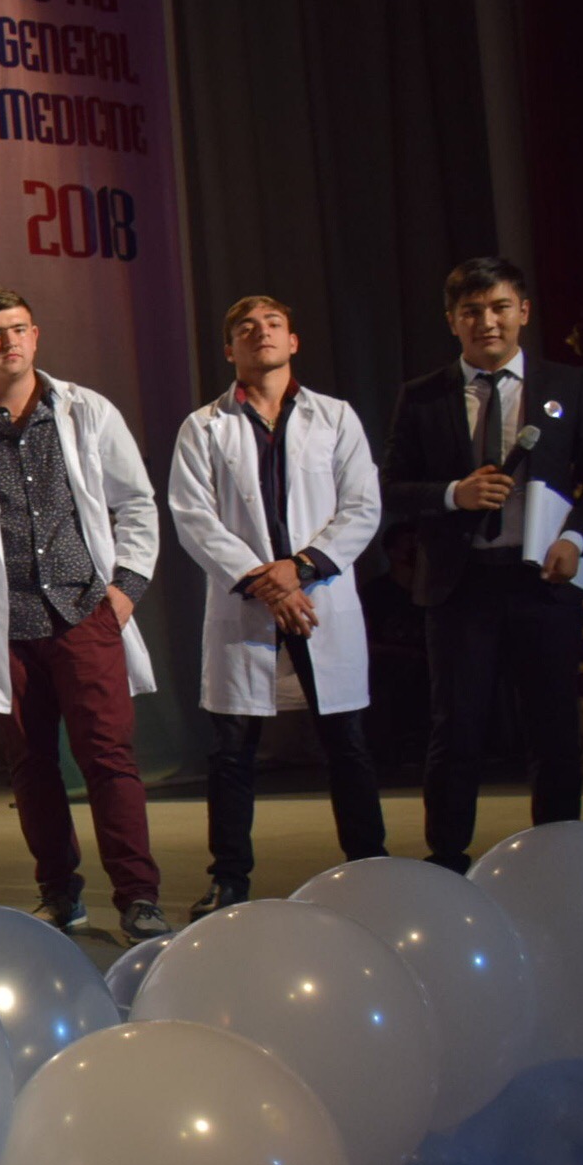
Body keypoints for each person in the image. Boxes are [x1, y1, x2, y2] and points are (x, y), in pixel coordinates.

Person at [0, 288, 172, 944]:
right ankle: (59, 894)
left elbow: (136, 502)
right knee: (30, 765)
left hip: (82, 611)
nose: (8, 342)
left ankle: (138, 896)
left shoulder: (84, 410)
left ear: (36, 336)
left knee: (109, 756)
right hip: (6, 622)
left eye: (18, 329)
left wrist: (124, 590)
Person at [380, 257, 583, 873]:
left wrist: (576, 539)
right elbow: (390, 489)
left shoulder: (565, 384)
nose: (487, 322)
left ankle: (559, 857)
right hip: (461, 586)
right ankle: (448, 860)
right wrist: (452, 494)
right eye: (471, 312)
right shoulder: (423, 396)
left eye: (499, 308)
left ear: (523, 312)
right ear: (452, 321)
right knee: (456, 728)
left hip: (543, 580)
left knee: (552, 727)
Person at [168, 297, 386, 916]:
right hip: (247, 601)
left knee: (346, 740)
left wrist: (302, 569)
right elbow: (192, 517)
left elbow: (362, 506)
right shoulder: (203, 426)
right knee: (232, 748)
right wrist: (266, 583)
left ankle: (370, 866)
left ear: (293, 342)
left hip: (319, 596)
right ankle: (229, 877)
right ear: (228, 349)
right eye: (245, 328)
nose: (259, 334)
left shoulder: (335, 417)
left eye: (272, 325)